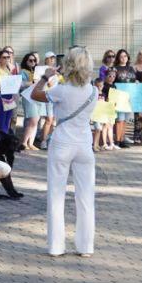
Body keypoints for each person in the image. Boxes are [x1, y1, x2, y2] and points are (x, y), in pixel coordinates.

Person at [31, 47, 97, 257]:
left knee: (56, 195)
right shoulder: (93, 91)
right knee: (86, 197)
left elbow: (35, 94)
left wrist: (45, 77)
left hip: (62, 142)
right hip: (84, 143)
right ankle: (86, 246)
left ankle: (56, 247)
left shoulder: (61, 89)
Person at [111, 49, 137, 147]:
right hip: (119, 96)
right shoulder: (115, 68)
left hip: (128, 97)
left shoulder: (131, 68)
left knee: (125, 119)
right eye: (121, 56)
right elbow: (111, 81)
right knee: (119, 119)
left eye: (125, 56)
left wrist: (136, 82)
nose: (123, 58)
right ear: (118, 58)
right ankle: (117, 140)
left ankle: (122, 139)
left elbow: (133, 80)